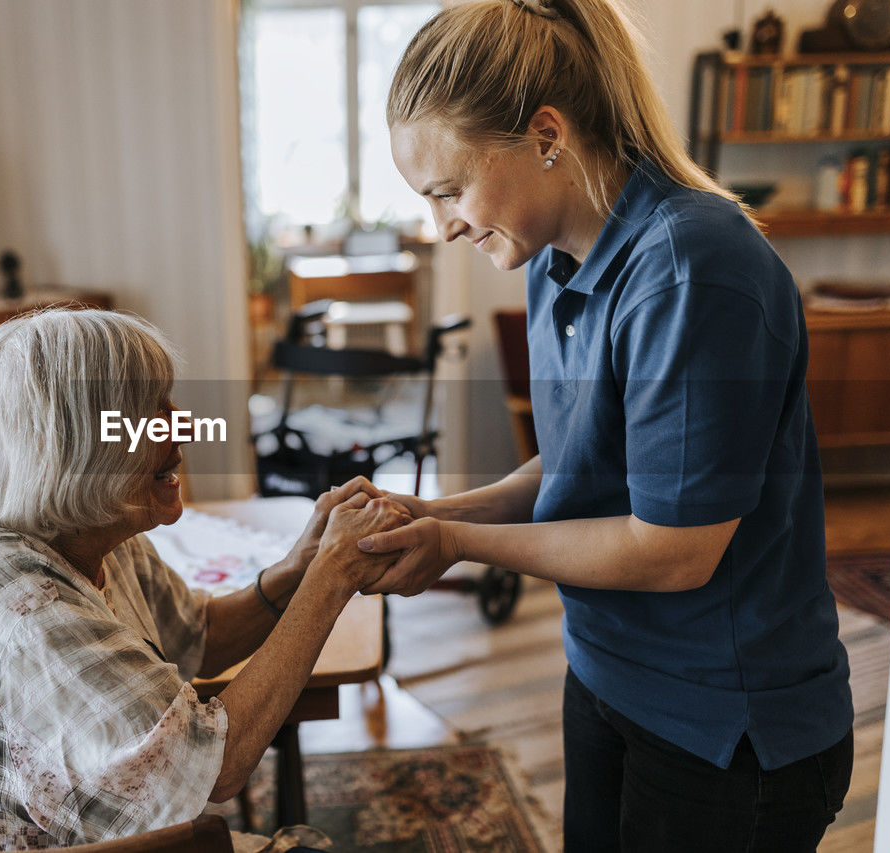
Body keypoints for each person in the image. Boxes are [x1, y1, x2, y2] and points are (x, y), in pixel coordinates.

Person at [359, 1, 854, 850]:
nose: (442, 226)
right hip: (608, 671)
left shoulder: (692, 267)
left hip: (725, 719)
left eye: (449, 190)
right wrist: (429, 517)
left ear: (546, 134)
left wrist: (459, 547)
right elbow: (573, 467)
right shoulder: (552, 258)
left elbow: (674, 547)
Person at [0, 308, 409, 849]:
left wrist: (302, 565)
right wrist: (331, 578)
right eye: (149, 412)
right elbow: (211, 769)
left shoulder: (88, 530)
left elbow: (199, 634)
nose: (182, 423)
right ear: (74, 445)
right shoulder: (20, 598)